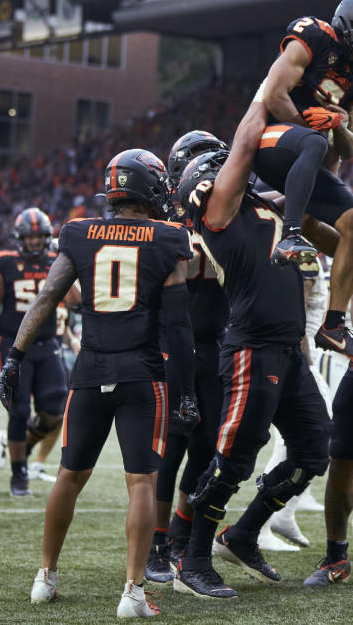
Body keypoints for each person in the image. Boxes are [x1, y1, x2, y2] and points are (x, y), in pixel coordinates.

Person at [0, 148, 196, 617]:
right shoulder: (170, 238)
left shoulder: (78, 232)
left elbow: (47, 296)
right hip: (141, 375)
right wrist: (186, 390)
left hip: (88, 373)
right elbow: (180, 328)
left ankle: (44, 578)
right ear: (148, 187)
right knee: (143, 481)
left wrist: (14, 357)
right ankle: (132, 592)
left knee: (68, 475)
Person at [169, 102, 332, 599]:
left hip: (286, 348)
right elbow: (243, 146)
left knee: (313, 449)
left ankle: (242, 533)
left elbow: (316, 191)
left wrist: (335, 132)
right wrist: (271, 98)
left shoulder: (261, 206)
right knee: (233, 459)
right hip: (251, 348)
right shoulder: (214, 210)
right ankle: (193, 560)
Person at [250, 0, 353, 363]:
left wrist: (338, 124)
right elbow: (274, 95)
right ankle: (291, 235)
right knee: (313, 143)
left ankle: (333, 326)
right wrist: (309, 123)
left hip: (308, 156)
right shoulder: (313, 36)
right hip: (269, 140)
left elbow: (350, 147)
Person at [145, 130, 233, 583]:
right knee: (169, 449)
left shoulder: (229, 212)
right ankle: (157, 542)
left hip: (215, 347)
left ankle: (179, 531)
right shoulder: (164, 219)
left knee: (206, 453)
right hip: (171, 347)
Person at [0, 208, 77, 497]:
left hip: (47, 343)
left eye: (40, 237)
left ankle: (21, 448)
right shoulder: (4, 263)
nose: (35, 243)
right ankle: (19, 476)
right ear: (20, 238)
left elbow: (75, 298)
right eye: (30, 238)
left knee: (54, 411)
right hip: (14, 344)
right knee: (18, 412)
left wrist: (70, 263)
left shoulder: (56, 260)